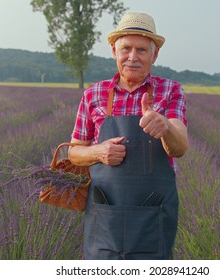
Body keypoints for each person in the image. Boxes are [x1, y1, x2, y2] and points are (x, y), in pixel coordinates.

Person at [68, 11, 188, 260]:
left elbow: (180, 147)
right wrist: (98, 152)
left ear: (155, 55)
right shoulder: (94, 94)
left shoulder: (171, 91)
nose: (132, 57)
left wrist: (164, 126)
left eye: (142, 50)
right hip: (105, 213)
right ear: (114, 50)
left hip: (153, 216)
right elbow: (74, 151)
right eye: (126, 49)